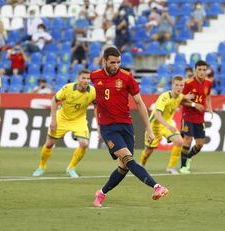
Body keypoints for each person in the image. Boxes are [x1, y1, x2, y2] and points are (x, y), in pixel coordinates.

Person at [90, 47, 168, 207]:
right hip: (108, 129)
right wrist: (98, 124)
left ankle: (101, 193)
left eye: (118, 62)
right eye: (112, 62)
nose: (116, 65)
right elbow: (95, 100)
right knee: (129, 159)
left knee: (123, 167)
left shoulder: (126, 77)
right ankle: (157, 186)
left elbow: (139, 103)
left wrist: (149, 128)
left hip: (126, 126)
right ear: (104, 61)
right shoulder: (94, 76)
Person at [32, 70, 98, 178]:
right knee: (49, 144)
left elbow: (96, 106)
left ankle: (71, 168)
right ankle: (41, 167)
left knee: (84, 144)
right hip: (62, 118)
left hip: (79, 120)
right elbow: (54, 100)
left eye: (88, 79)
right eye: (84, 78)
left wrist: (98, 124)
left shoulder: (93, 92)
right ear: (78, 78)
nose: (86, 81)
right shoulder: (68, 88)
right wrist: (53, 120)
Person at [140, 75, 194, 175]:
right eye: (177, 85)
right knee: (148, 151)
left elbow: (183, 98)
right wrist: (169, 126)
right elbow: (157, 115)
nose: (179, 87)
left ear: (183, 86)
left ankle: (171, 167)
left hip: (167, 124)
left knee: (179, 142)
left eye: (181, 85)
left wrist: (190, 99)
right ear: (172, 85)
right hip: (154, 126)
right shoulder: (164, 97)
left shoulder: (180, 96)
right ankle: (141, 165)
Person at [180, 60, 212, 174]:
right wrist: (194, 105)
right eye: (200, 69)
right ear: (195, 70)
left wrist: (210, 107)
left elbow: (207, 96)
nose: (202, 72)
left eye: (204, 69)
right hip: (188, 116)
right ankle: (183, 166)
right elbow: (180, 101)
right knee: (187, 141)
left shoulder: (208, 83)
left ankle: (188, 157)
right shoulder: (188, 83)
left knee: (200, 145)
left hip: (200, 117)